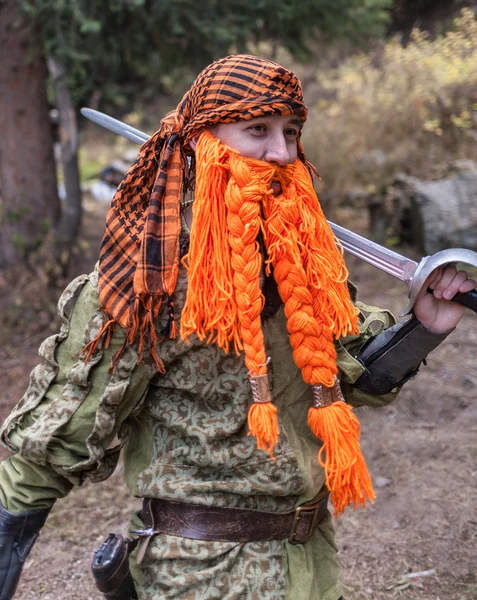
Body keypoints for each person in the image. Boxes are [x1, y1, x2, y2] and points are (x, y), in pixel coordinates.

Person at [0, 54, 474, 600]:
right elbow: (58, 442)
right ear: (203, 138)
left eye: (291, 132)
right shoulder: (146, 275)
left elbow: (353, 374)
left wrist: (425, 328)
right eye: (258, 130)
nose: (280, 152)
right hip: (200, 573)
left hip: (311, 566)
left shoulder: (301, 256)